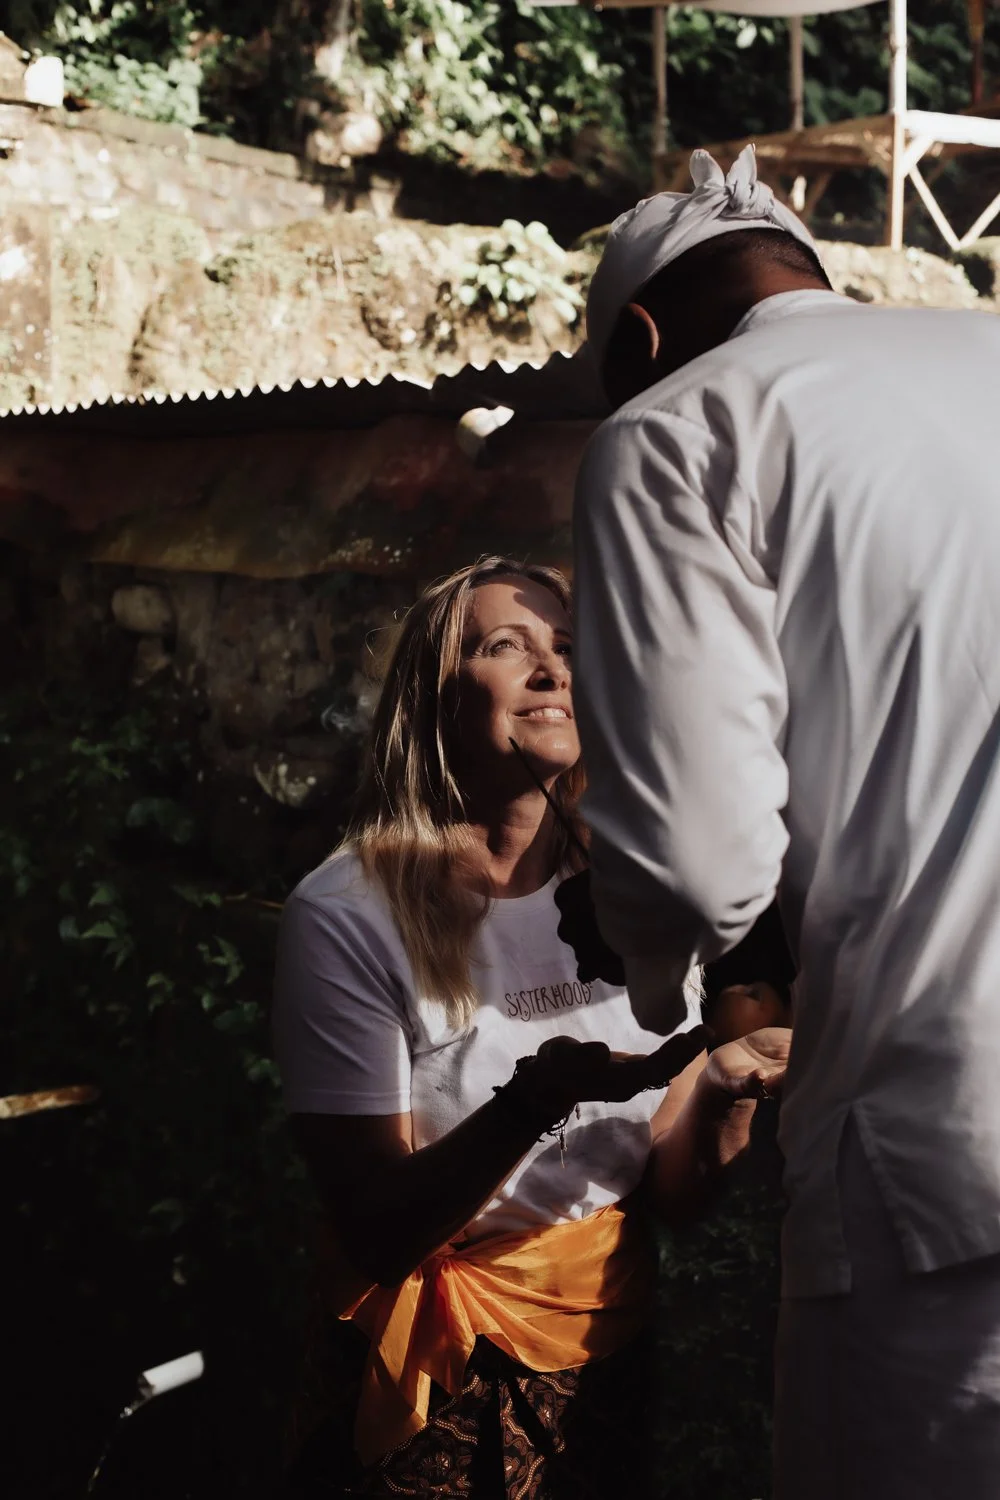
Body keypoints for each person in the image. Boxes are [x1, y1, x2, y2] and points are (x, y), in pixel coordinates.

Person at [568, 142, 1000, 1499]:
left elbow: (695, 863)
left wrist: (657, 962)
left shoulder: (677, 426)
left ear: (640, 334)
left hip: (948, 1161)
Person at [272, 555, 789, 1499]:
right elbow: (380, 1229)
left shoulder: (641, 893)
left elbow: (669, 1198)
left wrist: (721, 1086)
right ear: (434, 698)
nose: (553, 671)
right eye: (508, 647)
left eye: (568, 649)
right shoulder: (349, 913)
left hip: (604, 1348)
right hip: (437, 1379)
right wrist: (532, 1104)